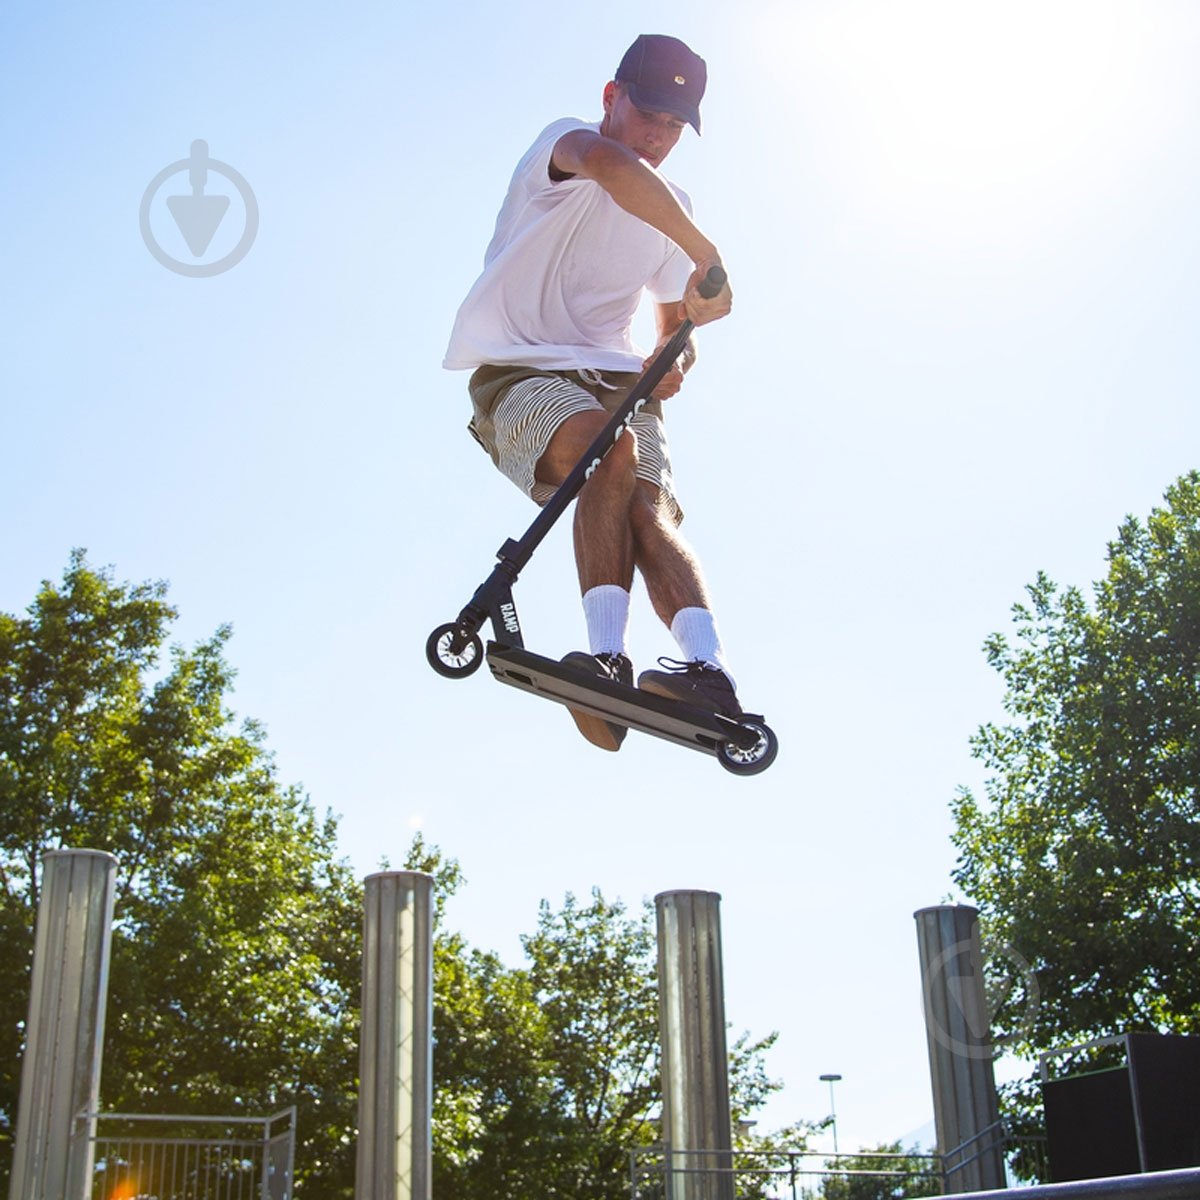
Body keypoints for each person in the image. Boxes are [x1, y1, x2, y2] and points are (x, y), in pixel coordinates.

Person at [444, 33, 741, 753]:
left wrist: (676, 357)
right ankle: (606, 656)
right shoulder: (568, 146)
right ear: (612, 99)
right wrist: (707, 252)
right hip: (522, 370)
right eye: (648, 115)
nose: (658, 136)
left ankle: (707, 670)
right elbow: (612, 167)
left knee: (647, 504)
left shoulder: (678, 208)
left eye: (674, 127)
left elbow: (676, 326)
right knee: (607, 456)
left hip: (618, 381)